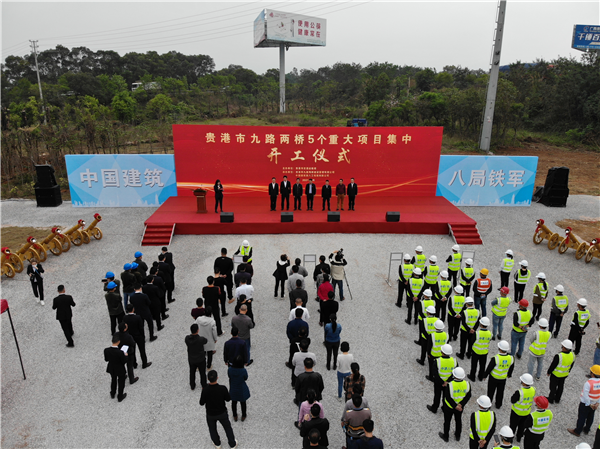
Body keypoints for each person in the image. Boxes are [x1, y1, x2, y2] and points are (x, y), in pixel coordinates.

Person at [199, 370, 238, 449]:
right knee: (227, 427)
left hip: (210, 414)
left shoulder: (205, 390)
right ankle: (232, 444)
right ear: (217, 378)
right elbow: (228, 399)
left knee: (212, 429)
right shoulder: (222, 388)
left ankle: (217, 444)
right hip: (222, 413)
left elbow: (201, 403)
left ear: (208, 379)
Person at [439, 367, 471, 442]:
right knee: (458, 421)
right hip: (460, 408)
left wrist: (455, 406)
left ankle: (446, 436)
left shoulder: (450, 385)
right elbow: (468, 396)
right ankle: (457, 435)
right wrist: (461, 405)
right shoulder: (467, 384)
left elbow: (448, 397)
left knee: (447, 421)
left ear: (454, 375)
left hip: (449, 407)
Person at [568, 365, 600, 438]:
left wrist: (590, 404)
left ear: (592, 373)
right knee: (590, 416)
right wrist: (597, 403)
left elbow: (585, 396)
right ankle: (587, 429)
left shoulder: (588, 383)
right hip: (595, 403)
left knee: (582, 417)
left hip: (586, 404)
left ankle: (577, 431)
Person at [484, 340, 515, 409]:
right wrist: (509, 374)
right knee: (500, 392)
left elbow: (489, 368)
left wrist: (485, 375)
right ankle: (498, 405)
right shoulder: (511, 358)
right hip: (503, 378)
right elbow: (511, 367)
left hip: (493, 378)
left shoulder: (496, 358)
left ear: (500, 348)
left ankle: (488, 404)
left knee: (490, 392)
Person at [427, 344, 456, 414]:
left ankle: (434, 408)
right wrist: (447, 381)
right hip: (449, 383)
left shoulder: (437, 361)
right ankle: (444, 408)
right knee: (446, 396)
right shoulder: (454, 361)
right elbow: (455, 373)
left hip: (438, 382)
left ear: (442, 352)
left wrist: (441, 382)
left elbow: (435, 373)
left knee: (437, 395)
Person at [123, 304, 152, 370]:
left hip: (130, 336)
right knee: (142, 350)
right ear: (133, 309)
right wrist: (143, 336)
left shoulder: (125, 318)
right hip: (138, 336)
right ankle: (144, 363)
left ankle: (134, 364)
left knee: (132, 351)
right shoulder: (138, 317)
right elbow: (141, 328)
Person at [509, 373, 536, 441]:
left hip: (516, 412)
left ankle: (510, 438)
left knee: (513, 426)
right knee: (522, 426)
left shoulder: (519, 392)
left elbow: (512, 400)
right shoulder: (533, 389)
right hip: (526, 412)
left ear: (524, 383)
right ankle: (519, 438)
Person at [547, 339, 575, 404]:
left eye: (562, 346)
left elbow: (553, 365)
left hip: (555, 374)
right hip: (564, 374)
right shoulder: (573, 355)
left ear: (564, 347)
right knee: (560, 387)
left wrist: (549, 372)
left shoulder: (559, 356)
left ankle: (551, 399)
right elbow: (571, 365)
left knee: (553, 387)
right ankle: (557, 399)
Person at [104, 334, 128, 402]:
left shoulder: (106, 350)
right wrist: (126, 355)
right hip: (120, 368)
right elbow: (123, 361)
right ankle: (120, 396)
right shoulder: (120, 352)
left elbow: (106, 359)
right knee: (121, 381)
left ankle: (113, 393)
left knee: (113, 380)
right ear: (118, 342)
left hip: (111, 367)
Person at [468, 317, 492, 382]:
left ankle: (472, 376)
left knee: (474, 365)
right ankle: (480, 376)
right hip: (484, 352)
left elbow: (471, 341)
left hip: (476, 351)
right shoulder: (490, 333)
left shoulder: (477, 333)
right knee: (482, 365)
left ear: (481, 324)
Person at [228, 355, 250, 422]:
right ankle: (243, 415)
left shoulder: (230, 370)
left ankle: (235, 415)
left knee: (234, 402)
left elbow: (229, 376)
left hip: (233, 388)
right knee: (243, 403)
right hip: (241, 388)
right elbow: (245, 378)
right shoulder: (243, 370)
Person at [185, 323, 208, 390]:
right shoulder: (201, 339)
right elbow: (206, 341)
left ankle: (192, 385)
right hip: (201, 359)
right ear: (198, 330)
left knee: (192, 372)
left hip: (191, 359)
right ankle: (204, 384)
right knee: (202, 373)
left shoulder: (187, 339)